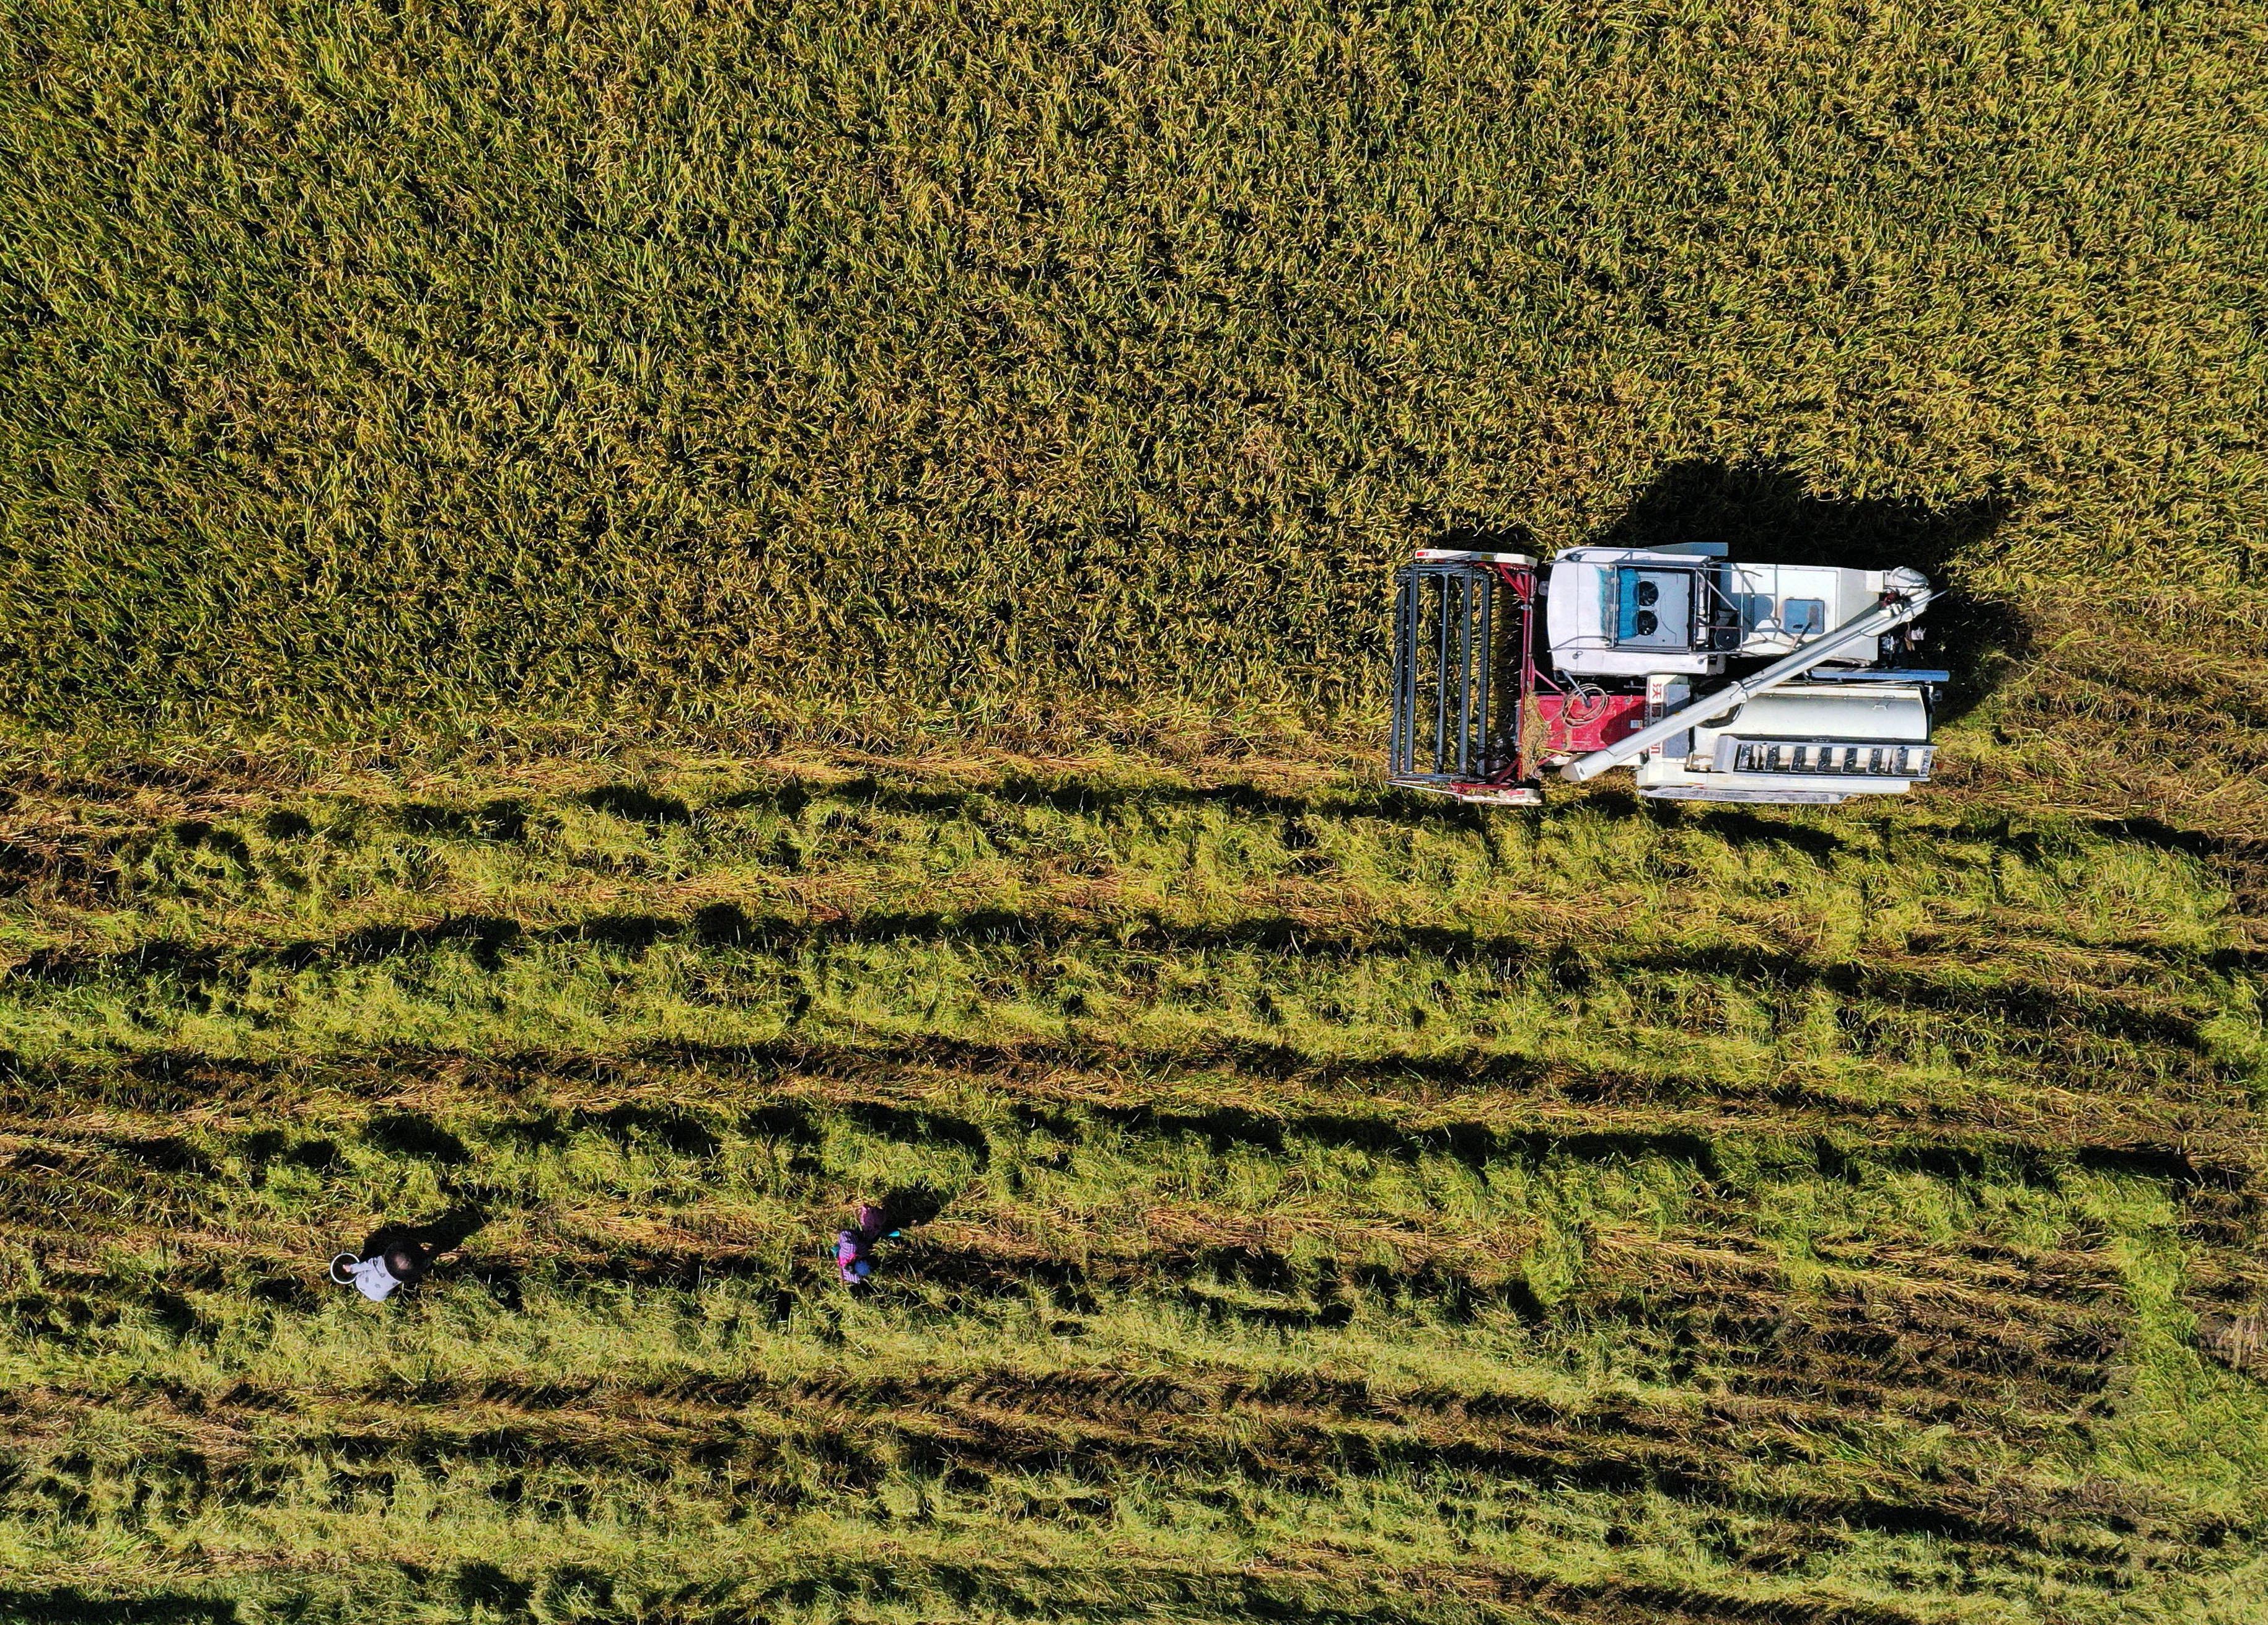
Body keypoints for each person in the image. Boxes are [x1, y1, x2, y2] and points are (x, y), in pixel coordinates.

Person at [329, 1230, 436, 1303]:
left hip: (361, 1284)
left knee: (368, 1264)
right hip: (379, 1297)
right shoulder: (404, 1276)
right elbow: (425, 1264)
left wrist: (351, 1268)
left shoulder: (379, 1262)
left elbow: (364, 1266)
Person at [834, 1202, 900, 1287]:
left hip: (857, 1238)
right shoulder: (854, 1275)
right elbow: (856, 1279)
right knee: (875, 1234)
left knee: (876, 1221)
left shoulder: (850, 1247)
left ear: (859, 1257)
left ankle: (880, 1229)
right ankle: (881, 1233)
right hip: (864, 1244)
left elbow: (844, 1233)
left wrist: (858, 1236)